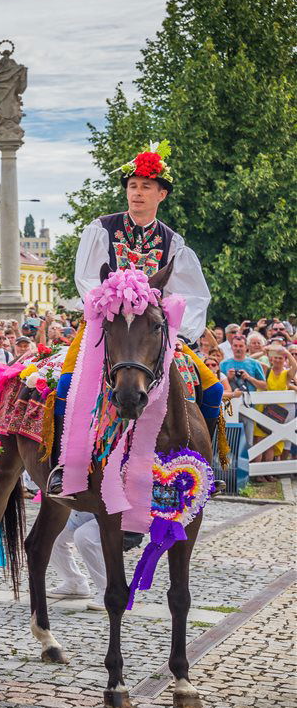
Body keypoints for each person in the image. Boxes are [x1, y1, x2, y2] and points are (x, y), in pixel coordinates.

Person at [48, 142, 219, 499]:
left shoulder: (173, 242)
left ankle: (206, 462)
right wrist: (109, 302)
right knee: (66, 385)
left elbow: (194, 294)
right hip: (106, 324)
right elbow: (86, 279)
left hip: (154, 332)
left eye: (145, 187)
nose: (137, 193)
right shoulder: (102, 229)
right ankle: (63, 465)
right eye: (132, 186)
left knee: (213, 387)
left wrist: (182, 332)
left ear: (162, 194)